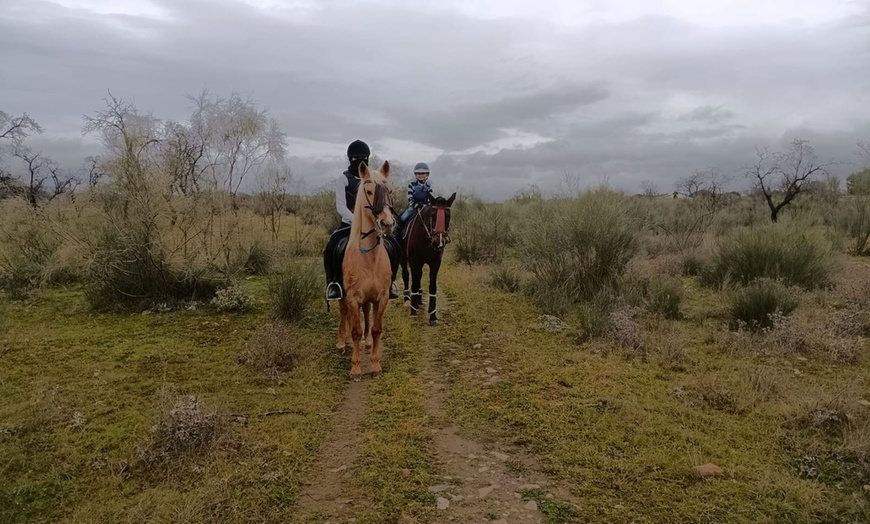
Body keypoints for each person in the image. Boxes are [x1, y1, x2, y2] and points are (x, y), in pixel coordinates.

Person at [323, 139, 399, 301]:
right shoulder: (343, 179)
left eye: (364, 158)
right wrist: (356, 220)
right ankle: (334, 284)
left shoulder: (374, 177)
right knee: (330, 249)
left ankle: (390, 282)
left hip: (374, 224)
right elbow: (341, 206)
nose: (360, 161)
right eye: (357, 158)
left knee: (395, 246)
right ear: (350, 159)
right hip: (348, 224)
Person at [396, 162, 433, 238]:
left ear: (427, 175)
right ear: (415, 174)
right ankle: (397, 233)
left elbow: (430, 197)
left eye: (423, 173)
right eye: (418, 173)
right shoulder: (412, 184)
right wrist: (415, 204)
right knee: (403, 218)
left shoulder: (429, 185)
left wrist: (425, 205)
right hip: (413, 206)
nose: (421, 175)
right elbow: (410, 196)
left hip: (425, 207)